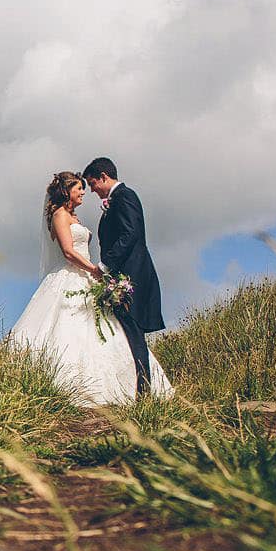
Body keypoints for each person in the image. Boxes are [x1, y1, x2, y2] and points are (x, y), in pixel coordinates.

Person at [8, 169, 172, 405]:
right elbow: (68, 252)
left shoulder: (75, 217)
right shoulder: (59, 215)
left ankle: (131, 387)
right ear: (67, 191)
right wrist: (95, 270)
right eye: (79, 188)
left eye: (84, 187)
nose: (84, 192)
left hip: (87, 276)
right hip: (73, 276)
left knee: (108, 328)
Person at [82, 156, 166, 397]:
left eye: (92, 183)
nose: (92, 190)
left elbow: (130, 234)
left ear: (104, 177)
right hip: (122, 274)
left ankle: (144, 391)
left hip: (132, 274)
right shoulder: (116, 200)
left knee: (133, 329)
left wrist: (106, 264)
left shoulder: (125, 196)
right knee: (126, 329)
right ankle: (135, 387)